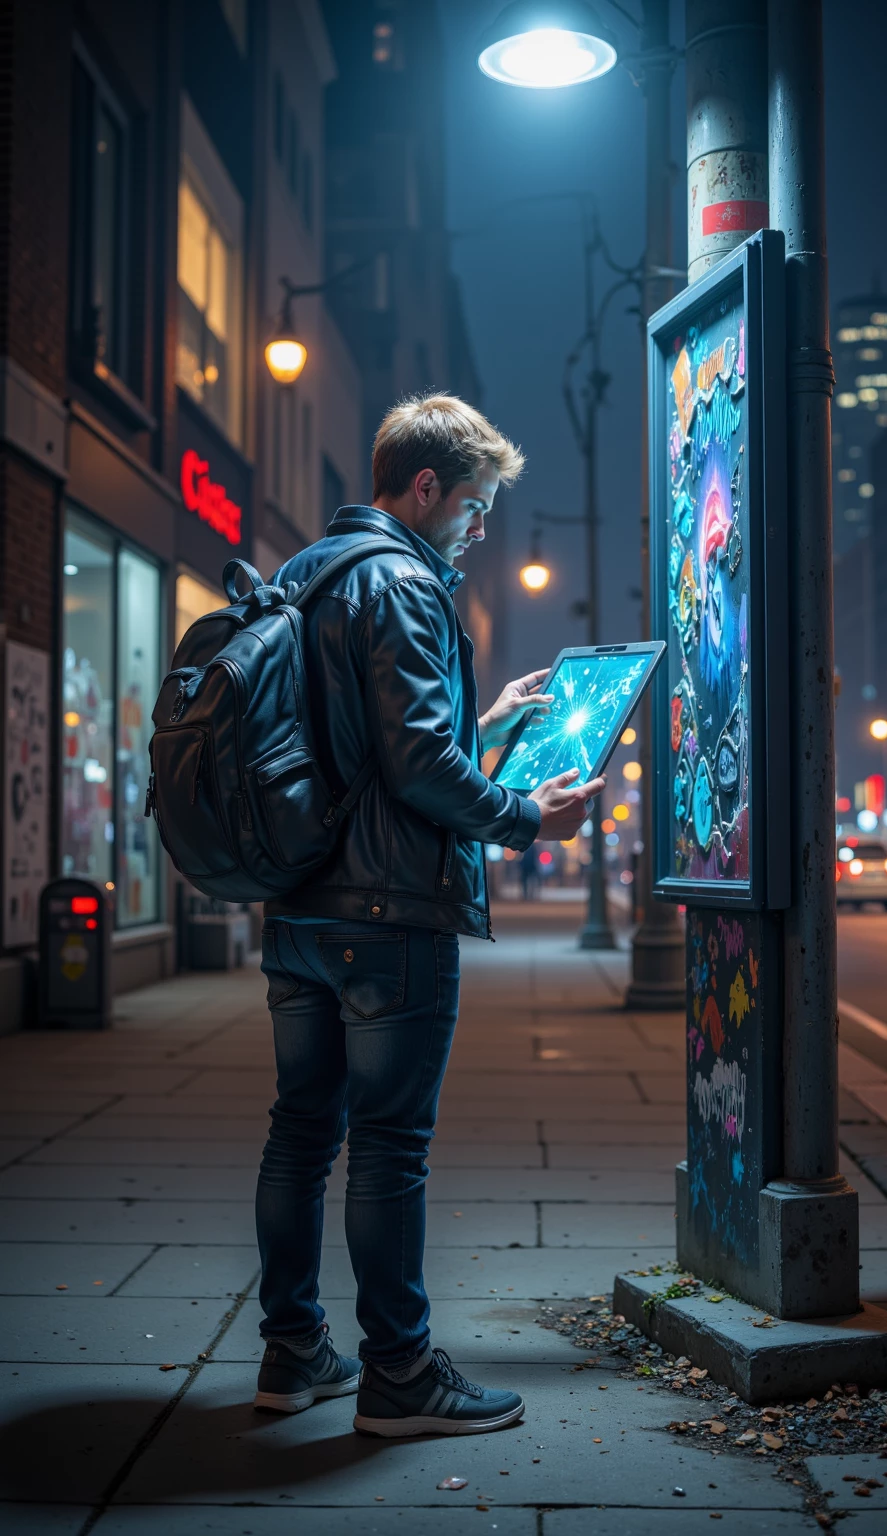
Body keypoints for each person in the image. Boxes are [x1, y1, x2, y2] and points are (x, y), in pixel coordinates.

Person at [253, 394, 604, 1437]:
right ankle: (400, 1376)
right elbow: (414, 767)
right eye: (476, 505)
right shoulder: (405, 581)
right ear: (425, 489)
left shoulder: (305, 572)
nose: (480, 526)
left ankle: (292, 1352)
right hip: (390, 912)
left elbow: (362, 737)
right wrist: (525, 816)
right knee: (390, 1148)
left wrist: (482, 717)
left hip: (301, 905)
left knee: (300, 1132)